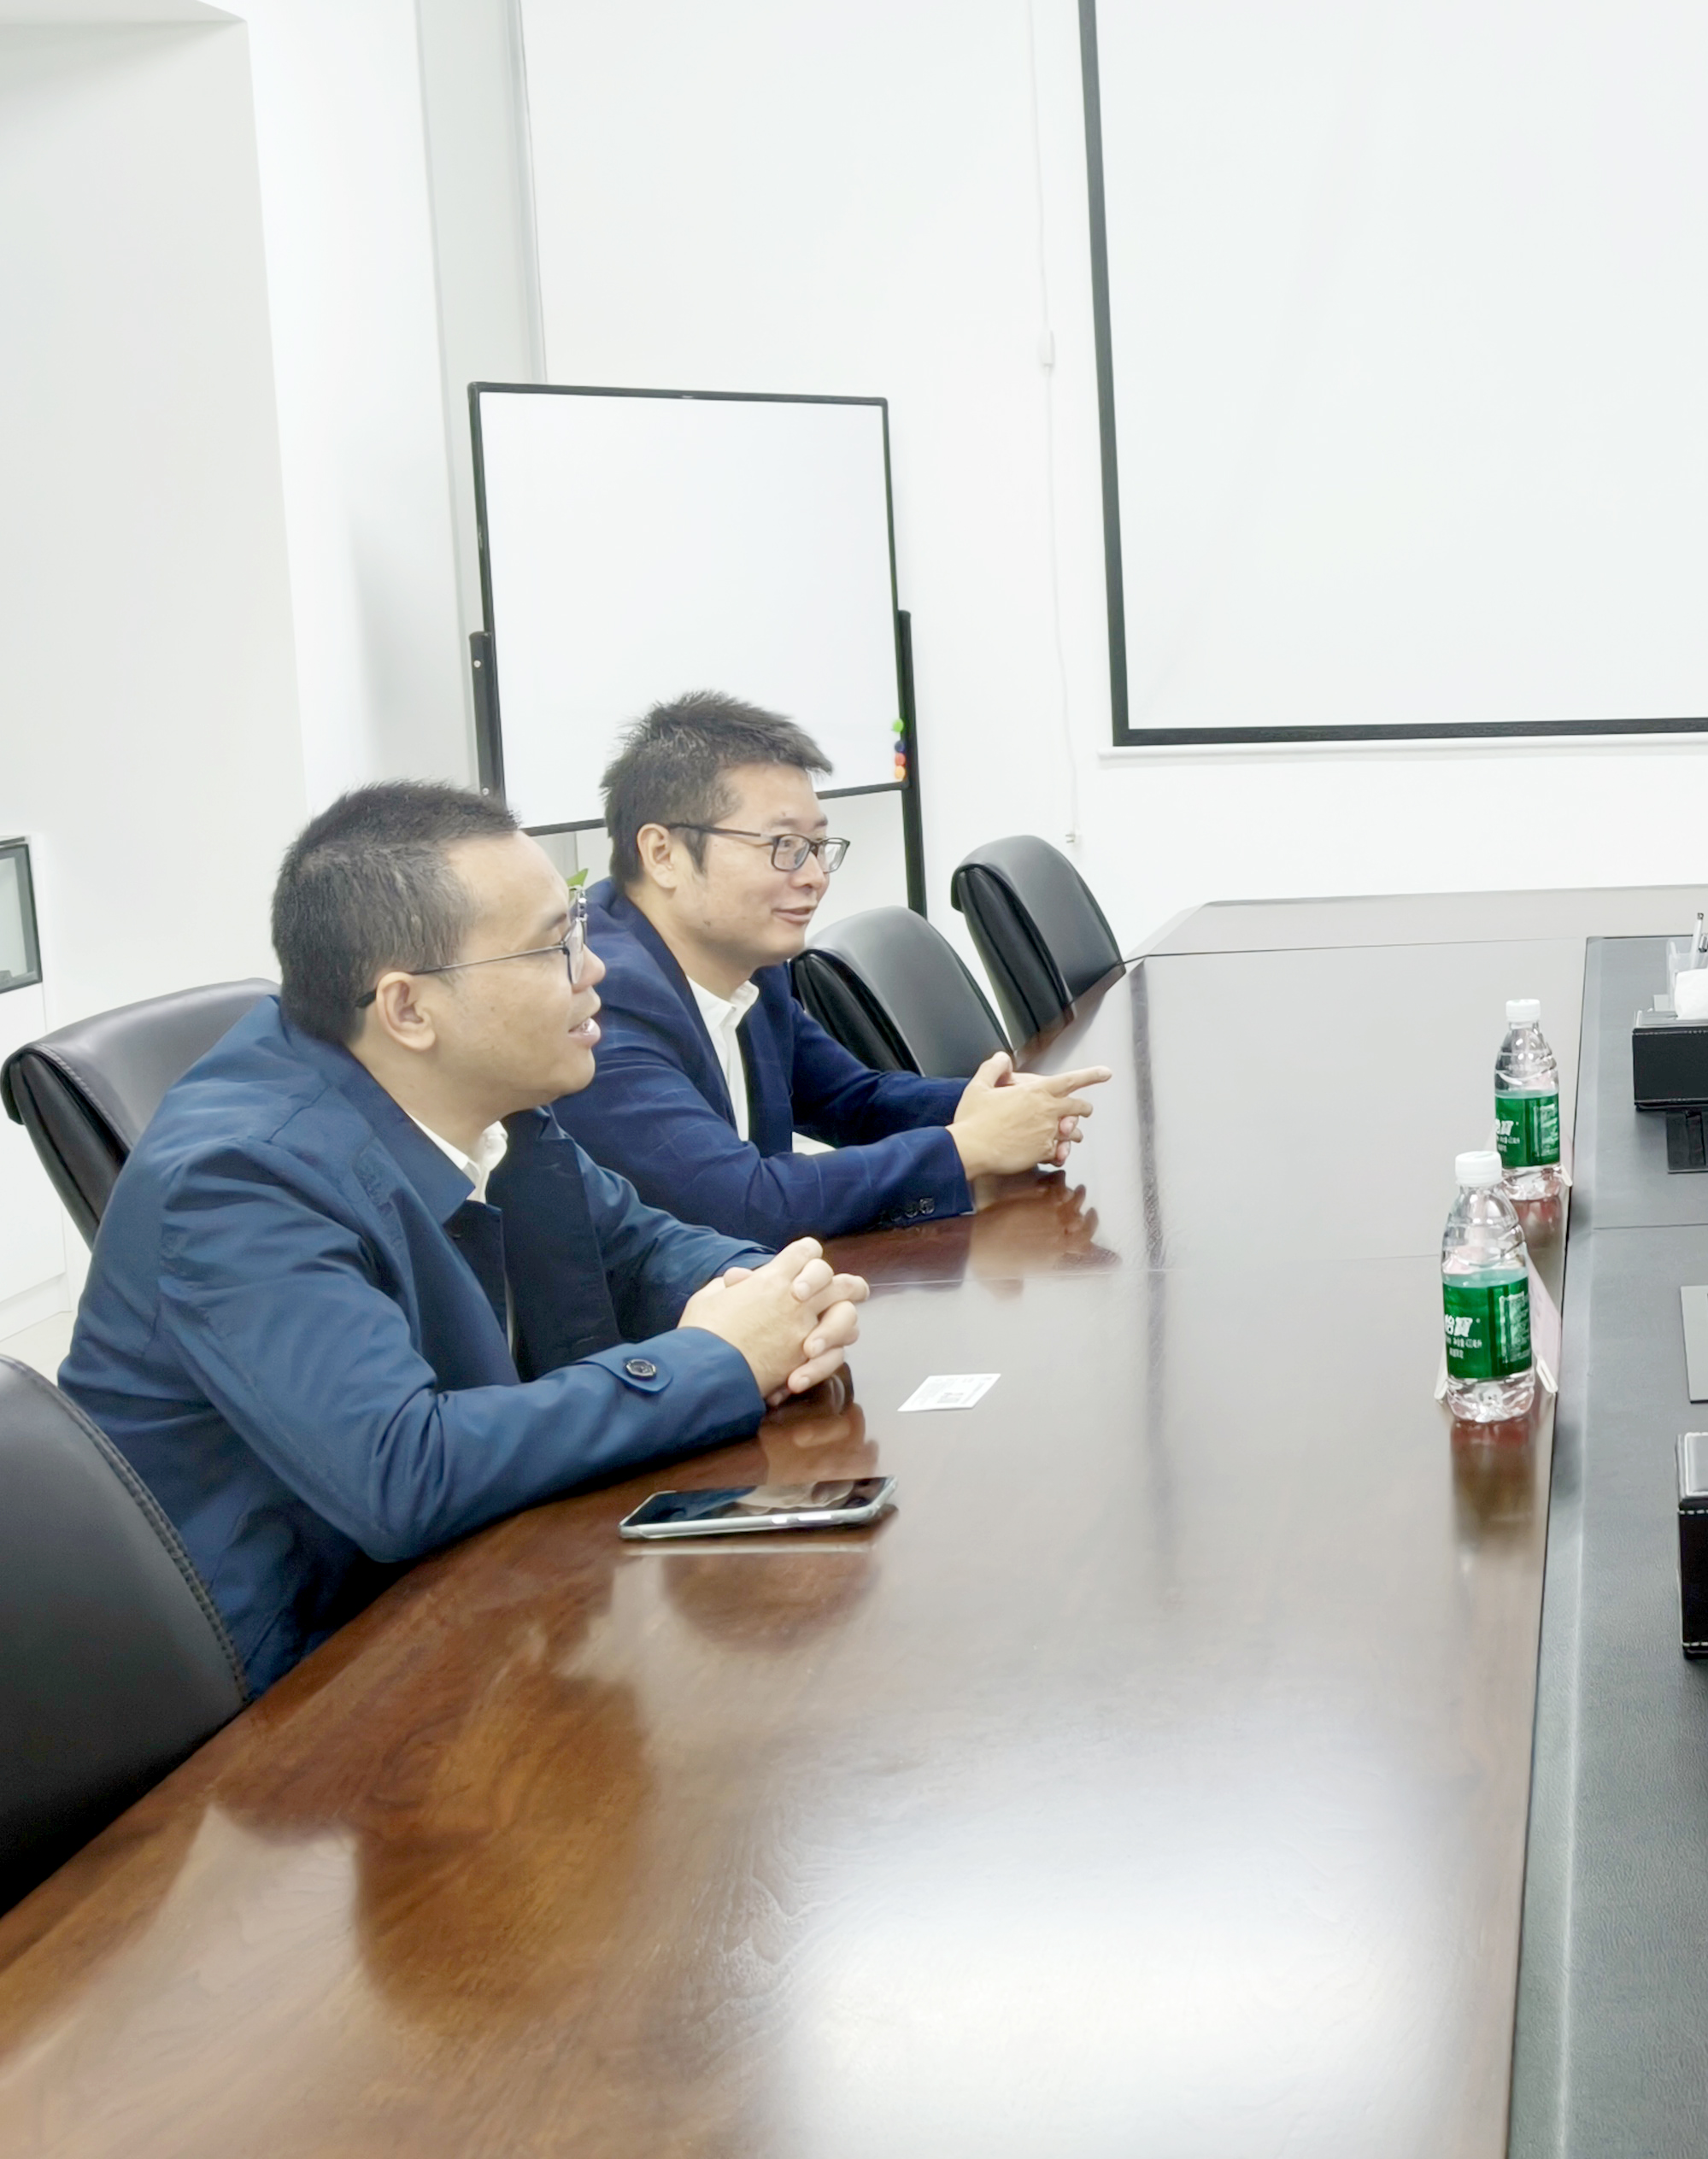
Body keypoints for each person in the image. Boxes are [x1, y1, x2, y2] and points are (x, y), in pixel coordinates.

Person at [60, 783, 868, 1693]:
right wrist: (717, 1359)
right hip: (295, 1696)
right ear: (408, 1009)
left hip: (469, 1602)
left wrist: (777, 1296)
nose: (594, 969)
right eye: (553, 948)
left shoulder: (491, 1096)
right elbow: (404, 1473)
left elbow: (639, 1248)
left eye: (577, 928)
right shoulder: (237, 1181)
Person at [552, 693, 1105, 1241]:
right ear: (663, 854)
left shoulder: (750, 961)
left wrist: (984, 1106)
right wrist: (966, 1147)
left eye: (817, 846)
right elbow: (742, 1203)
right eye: (785, 845)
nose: (815, 876)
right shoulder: (599, 999)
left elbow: (850, 1100)